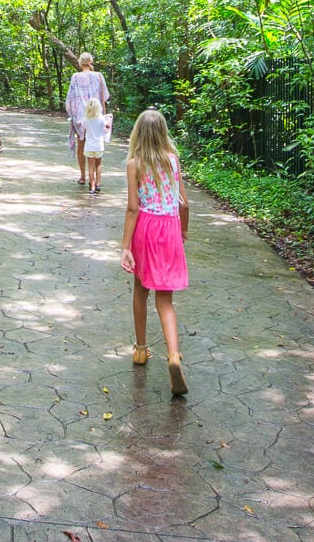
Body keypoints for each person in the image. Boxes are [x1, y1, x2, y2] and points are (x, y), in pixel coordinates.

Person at [120, 108, 189, 396]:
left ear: (138, 133)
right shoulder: (173, 161)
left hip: (146, 228)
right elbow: (183, 203)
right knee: (166, 299)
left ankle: (140, 349)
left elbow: (133, 208)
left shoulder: (134, 164)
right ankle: (173, 355)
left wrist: (125, 246)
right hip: (169, 227)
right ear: (162, 132)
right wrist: (183, 232)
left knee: (140, 288)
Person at [65, 52, 110, 186]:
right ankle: (96, 178)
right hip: (96, 115)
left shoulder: (75, 77)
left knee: (82, 144)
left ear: (80, 62)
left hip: (81, 116)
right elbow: (105, 96)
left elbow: (70, 98)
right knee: (96, 142)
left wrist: (72, 113)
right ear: (91, 62)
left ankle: (83, 176)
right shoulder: (99, 76)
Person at [83, 96, 106, 194]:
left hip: (89, 145)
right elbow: (106, 128)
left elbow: (83, 128)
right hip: (99, 145)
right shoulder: (101, 119)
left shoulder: (86, 119)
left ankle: (92, 185)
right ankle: (98, 183)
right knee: (98, 165)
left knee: (91, 166)